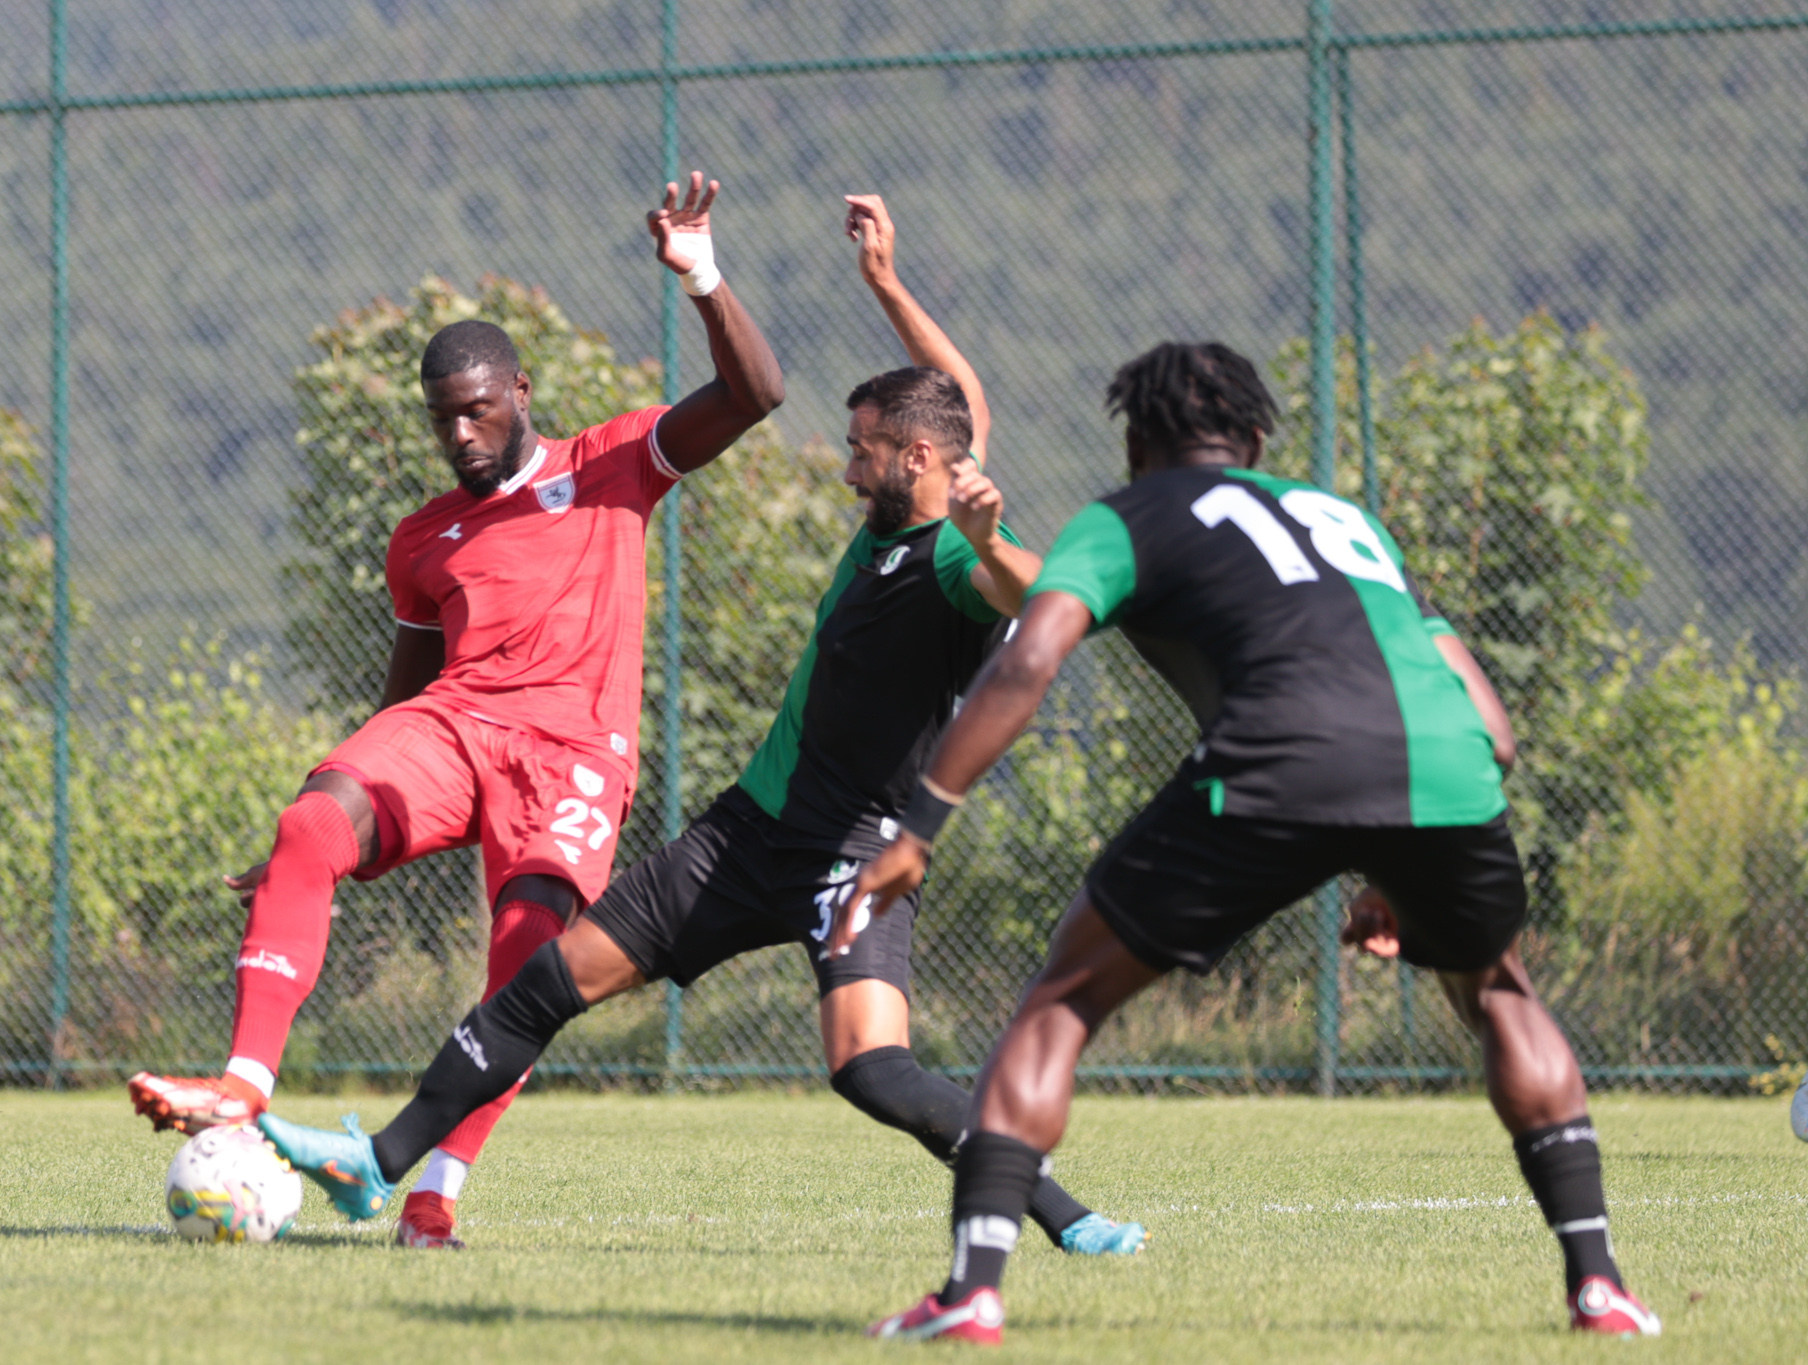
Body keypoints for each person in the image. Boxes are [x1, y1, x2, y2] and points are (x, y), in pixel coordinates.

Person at [255, 195, 1145, 1259]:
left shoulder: (955, 554)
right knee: (548, 982)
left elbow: (1037, 598)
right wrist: (883, 285)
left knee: (873, 1072)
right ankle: (380, 1164)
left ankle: (1064, 1214)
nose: (844, 461)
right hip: (743, 836)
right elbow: (956, 399)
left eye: (861, 448)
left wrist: (994, 542)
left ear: (913, 462)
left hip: (850, 862)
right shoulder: (912, 495)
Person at [838, 341, 1662, 1343]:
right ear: (1257, 438)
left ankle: (971, 1291)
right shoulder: (1344, 522)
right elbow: (1492, 728)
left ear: (1136, 443)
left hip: (1271, 762)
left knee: (1060, 1000)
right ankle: (1598, 1288)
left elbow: (1028, 661)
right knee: (1496, 991)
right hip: (1442, 767)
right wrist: (1392, 861)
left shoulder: (1125, 516)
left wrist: (921, 821)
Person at [127, 173, 785, 1250]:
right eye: (443, 419)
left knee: (526, 968)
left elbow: (754, 395)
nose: (461, 434)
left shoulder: (609, 465)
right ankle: (244, 1088)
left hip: (572, 757)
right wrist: (329, 825)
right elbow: (406, 689)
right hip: (456, 728)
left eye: (477, 409)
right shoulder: (422, 537)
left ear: (519, 390)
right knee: (306, 823)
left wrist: (702, 276)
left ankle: (429, 1193)